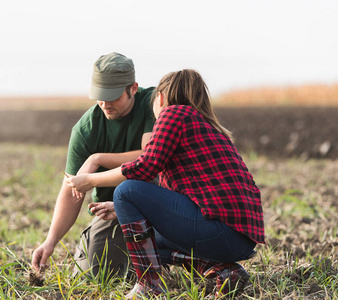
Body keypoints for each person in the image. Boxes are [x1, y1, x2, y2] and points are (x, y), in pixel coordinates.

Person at [66, 69, 265, 298]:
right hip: (240, 240)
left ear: (159, 98)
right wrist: (120, 209)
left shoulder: (174, 114)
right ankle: (222, 270)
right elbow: (180, 200)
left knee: (126, 191)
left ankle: (149, 285)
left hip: (219, 231)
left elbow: (144, 166)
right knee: (147, 244)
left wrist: (91, 179)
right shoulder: (206, 126)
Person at [31, 52, 155, 279]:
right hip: (115, 212)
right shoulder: (85, 129)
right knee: (94, 273)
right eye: (100, 96)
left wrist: (97, 158)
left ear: (133, 88)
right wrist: (50, 242)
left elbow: (152, 156)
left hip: (162, 201)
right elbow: (72, 191)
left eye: (113, 96)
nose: (105, 104)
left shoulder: (153, 103)